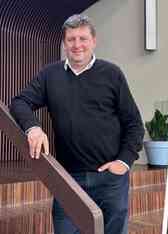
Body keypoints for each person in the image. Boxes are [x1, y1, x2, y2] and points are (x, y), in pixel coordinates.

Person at [9, 14, 145, 234]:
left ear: (93, 41)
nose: (77, 45)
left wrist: (124, 161)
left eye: (83, 38)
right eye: (71, 39)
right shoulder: (49, 75)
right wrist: (32, 128)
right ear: (64, 43)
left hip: (110, 179)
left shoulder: (112, 74)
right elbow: (20, 102)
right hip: (69, 180)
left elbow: (134, 124)